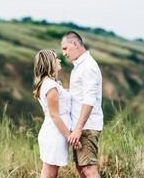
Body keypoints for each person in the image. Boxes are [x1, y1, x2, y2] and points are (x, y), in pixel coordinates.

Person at [61, 31, 103, 178]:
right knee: (81, 169)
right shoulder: (79, 66)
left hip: (86, 127)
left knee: (89, 170)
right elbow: (78, 95)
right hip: (80, 127)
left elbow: (89, 100)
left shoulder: (88, 67)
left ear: (75, 44)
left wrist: (78, 129)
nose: (64, 53)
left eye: (65, 48)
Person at [33, 49, 80, 178]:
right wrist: (69, 136)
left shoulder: (50, 84)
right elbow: (54, 115)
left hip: (54, 132)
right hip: (54, 134)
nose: (59, 60)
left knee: (49, 173)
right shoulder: (50, 86)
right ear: (49, 63)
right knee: (49, 174)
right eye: (56, 58)